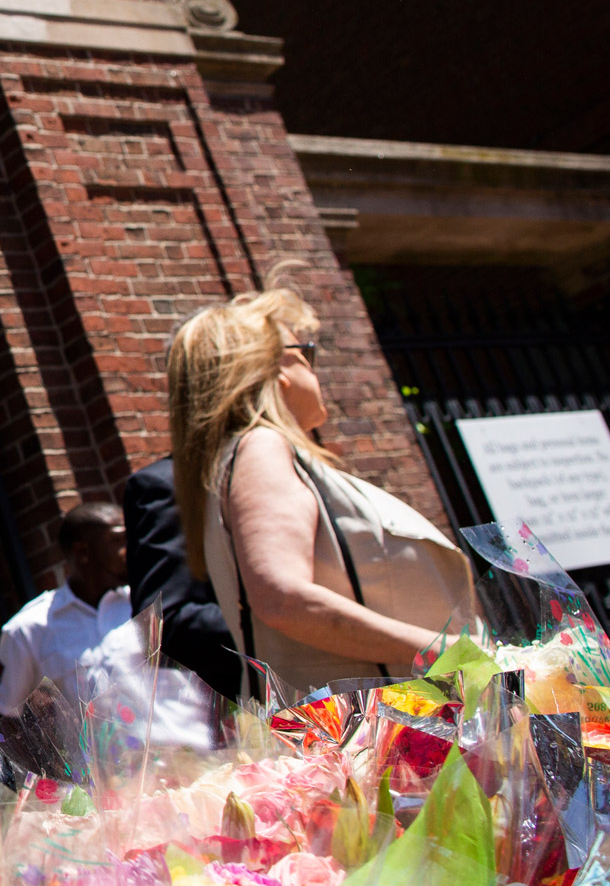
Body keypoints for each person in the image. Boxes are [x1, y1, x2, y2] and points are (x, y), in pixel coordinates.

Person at [169, 282, 477, 695]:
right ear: (273, 370)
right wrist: (452, 653)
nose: (315, 368)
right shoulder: (261, 446)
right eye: (306, 353)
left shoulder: (246, 455)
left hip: (380, 726)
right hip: (374, 733)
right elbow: (283, 599)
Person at [0, 502, 215, 748]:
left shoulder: (156, 602)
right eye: (119, 539)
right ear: (83, 552)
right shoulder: (30, 629)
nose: (132, 548)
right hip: (113, 783)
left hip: (199, 765)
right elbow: (2, 717)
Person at [121, 459, 242, 703]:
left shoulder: (305, 466)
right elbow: (166, 622)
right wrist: (280, 622)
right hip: (262, 701)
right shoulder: (167, 483)